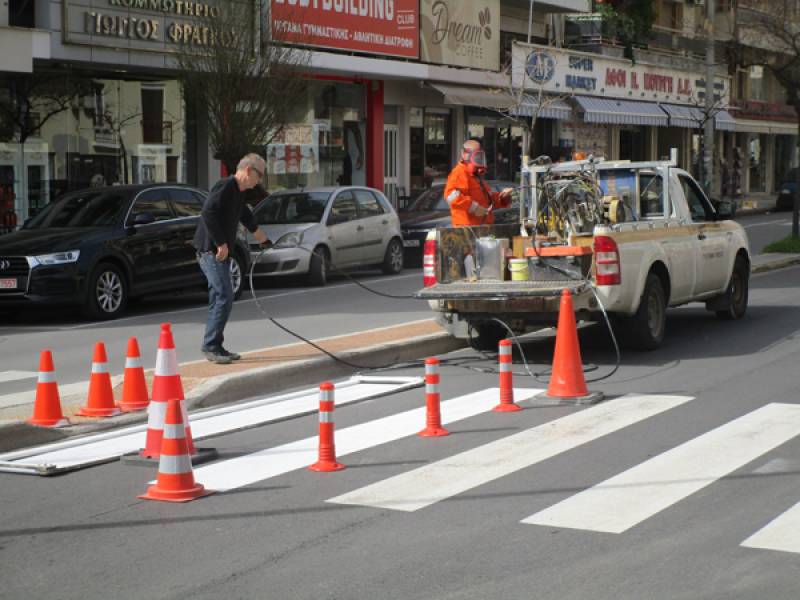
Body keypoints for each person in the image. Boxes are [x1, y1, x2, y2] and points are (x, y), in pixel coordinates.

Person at [193, 153, 269, 364]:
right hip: (211, 250)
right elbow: (208, 212)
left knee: (218, 297)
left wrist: (263, 239)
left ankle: (215, 344)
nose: (259, 180)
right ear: (248, 170)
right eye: (259, 174)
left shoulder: (238, 192)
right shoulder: (226, 186)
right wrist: (221, 243)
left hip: (219, 251)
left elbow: (245, 216)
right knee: (225, 294)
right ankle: (210, 345)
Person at [444, 140, 513, 227]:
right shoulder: (459, 172)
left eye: (480, 155)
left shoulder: (476, 177)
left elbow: (489, 201)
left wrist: (502, 197)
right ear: (464, 154)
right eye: (476, 155)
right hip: (467, 228)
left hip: (482, 227)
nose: (479, 158)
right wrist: (474, 208)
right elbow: (451, 196)